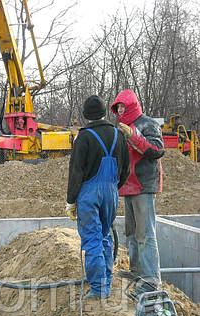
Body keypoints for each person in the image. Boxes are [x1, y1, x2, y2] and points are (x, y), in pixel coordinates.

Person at [66, 95, 130, 299]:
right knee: (105, 237)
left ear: (86, 115)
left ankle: (98, 289)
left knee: (92, 239)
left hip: (89, 194)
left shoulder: (83, 137)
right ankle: (106, 284)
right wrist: (113, 187)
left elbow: (76, 172)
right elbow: (126, 170)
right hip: (111, 192)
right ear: (104, 112)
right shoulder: (118, 135)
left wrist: (71, 200)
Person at [111, 89, 165, 294]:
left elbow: (157, 150)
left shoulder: (147, 124)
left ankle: (151, 279)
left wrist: (133, 136)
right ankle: (136, 271)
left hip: (144, 184)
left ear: (131, 105)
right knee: (131, 232)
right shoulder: (124, 128)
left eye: (123, 107)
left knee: (145, 233)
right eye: (118, 108)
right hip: (129, 185)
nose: (120, 111)